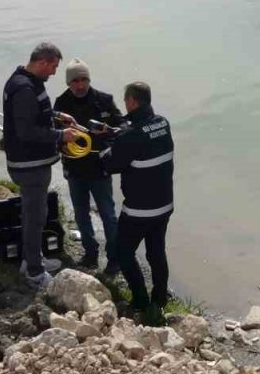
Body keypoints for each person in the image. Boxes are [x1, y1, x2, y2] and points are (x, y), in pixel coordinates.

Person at [1, 42, 80, 288]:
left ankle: (31, 258)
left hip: (31, 165)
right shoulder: (23, 88)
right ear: (42, 62)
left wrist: (58, 117)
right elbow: (26, 131)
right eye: (53, 66)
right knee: (35, 218)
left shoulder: (26, 81)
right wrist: (60, 135)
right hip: (29, 166)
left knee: (36, 214)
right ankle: (35, 274)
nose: (55, 72)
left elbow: (34, 114)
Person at [101, 81, 174, 325]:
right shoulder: (163, 123)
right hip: (164, 206)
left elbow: (110, 164)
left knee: (124, 252)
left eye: (126, 101)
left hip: (138, 210)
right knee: (156, 252)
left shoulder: (129, 136)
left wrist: (106, 145)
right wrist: (120, 133)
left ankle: (141, 300)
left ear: (132, 101)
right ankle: (160, 299)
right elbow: (142, 141)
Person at [53, 58, 123, 275]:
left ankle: (114, 259)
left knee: (108, 215)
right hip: (74, 170)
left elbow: (122, 128)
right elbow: (52, 135)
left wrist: (108, 132)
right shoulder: (61, 104)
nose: (80, 85)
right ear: (68, 83)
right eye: (75, 81)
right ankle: (90, 254)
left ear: (89, 79)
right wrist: (62, 142)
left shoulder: (104, 100)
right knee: (81, 214)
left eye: (84, 79)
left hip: (100, 169)